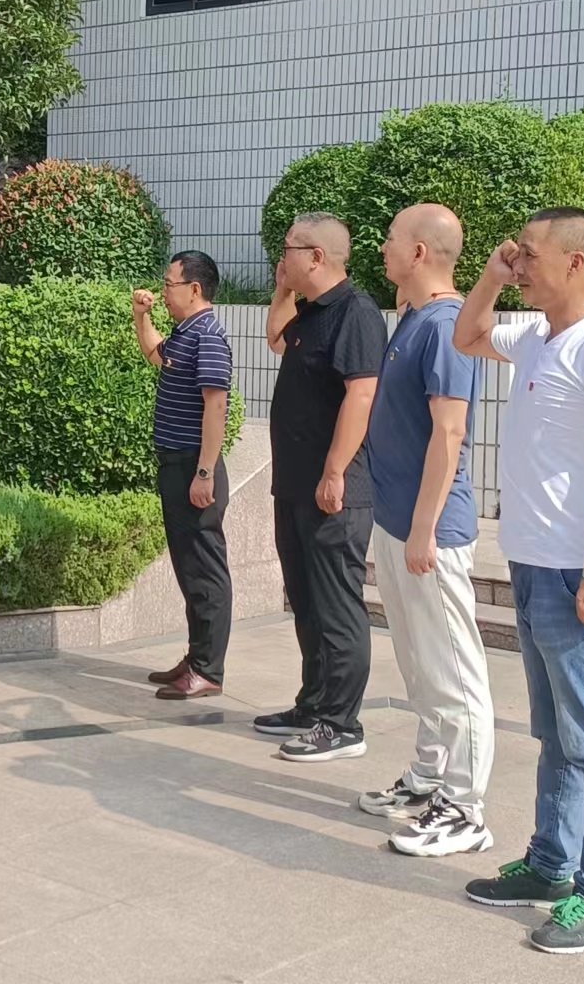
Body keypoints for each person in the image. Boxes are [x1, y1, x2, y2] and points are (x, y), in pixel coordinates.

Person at [454, 207, 584, 955]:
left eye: (529, 255)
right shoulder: (536, 336)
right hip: (534, 566)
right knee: (556, 735)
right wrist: (490, 274)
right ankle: (549, 867)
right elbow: (467, 335)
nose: (519, 265)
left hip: (578, 573)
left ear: (575, 263)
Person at [358, 204, 496, 858]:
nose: (382, 247)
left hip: (429, 532)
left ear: (418, 253)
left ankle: (465, 810)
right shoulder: (415, 318)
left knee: (453, 672)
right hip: (398, 523)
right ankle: (429, 780)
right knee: (420, 665)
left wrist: (423, 529)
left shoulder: (444, 327)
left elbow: (450, 431)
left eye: (391, 239)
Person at [256, 212, 386, 762]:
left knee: (336, 606)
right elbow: (275, 339)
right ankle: (312, 705)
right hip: (295, 485)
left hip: (335, 490)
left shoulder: (356, 312)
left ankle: (341, 723)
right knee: (306, 601)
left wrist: (334, 470)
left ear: (316, 256)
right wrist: (282, 290)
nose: (280, 257)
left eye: (288, 249)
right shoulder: (311, 310)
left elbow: (362, 395)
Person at [133, 252, 234, 700]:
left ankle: (208, 669)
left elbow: (216, 404)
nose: (163, 291)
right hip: (177, 464)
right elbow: (156, 355)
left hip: (195, 465)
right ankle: (195, 658)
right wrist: (141, 317)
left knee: (205, 571)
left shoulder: (207, 335)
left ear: (194, 289)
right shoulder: (185, 333)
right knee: (189, 568)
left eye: (169, 284)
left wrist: (205, 472)